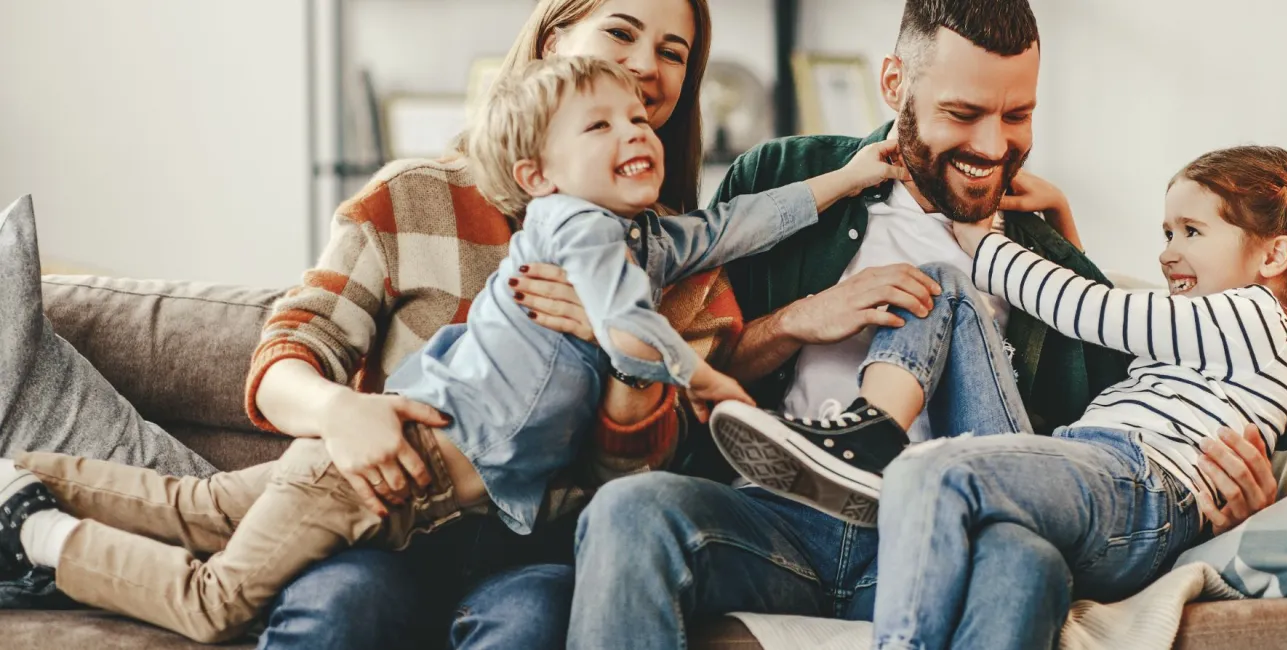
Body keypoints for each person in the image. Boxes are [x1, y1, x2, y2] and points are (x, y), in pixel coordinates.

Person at [0, 54, 903, 644]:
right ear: (536, 177)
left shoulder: (649, 242)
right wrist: (711, 382)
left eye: (644, 117)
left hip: (426, 505)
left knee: (190, 503)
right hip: (373, 470)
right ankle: (39, 534)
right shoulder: (574, 225)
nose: (637, 130)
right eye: (603, 123)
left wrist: (847, 178)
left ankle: (19, 471)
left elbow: (736, 224)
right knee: (212, 602)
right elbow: (629, 325)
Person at [560, 2, 1287, 647]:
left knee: (1027, 564)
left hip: (947, 539)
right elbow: (690, 379)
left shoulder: (1043, 256)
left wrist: (1228, 499)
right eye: (964, 114)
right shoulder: (787, 176)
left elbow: (1117, 446)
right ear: (893, 84)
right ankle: (848, 448)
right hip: (780, 521)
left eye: (1018, 115)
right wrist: (799, 322)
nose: (993, 147)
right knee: (631, 513)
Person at [819, 145, 1287, 650]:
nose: (1167, 253)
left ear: (1275, 255)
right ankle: (872, 428)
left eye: (1191, 231)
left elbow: (1091, 310)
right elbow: (1110, 331)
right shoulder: (1213, 336)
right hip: (1093, 476)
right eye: (1167, 232)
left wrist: (980, 237)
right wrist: (1059, 213)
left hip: (1141, 483)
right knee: (1016, 559)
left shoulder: (1257, 316)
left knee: (929, 471)